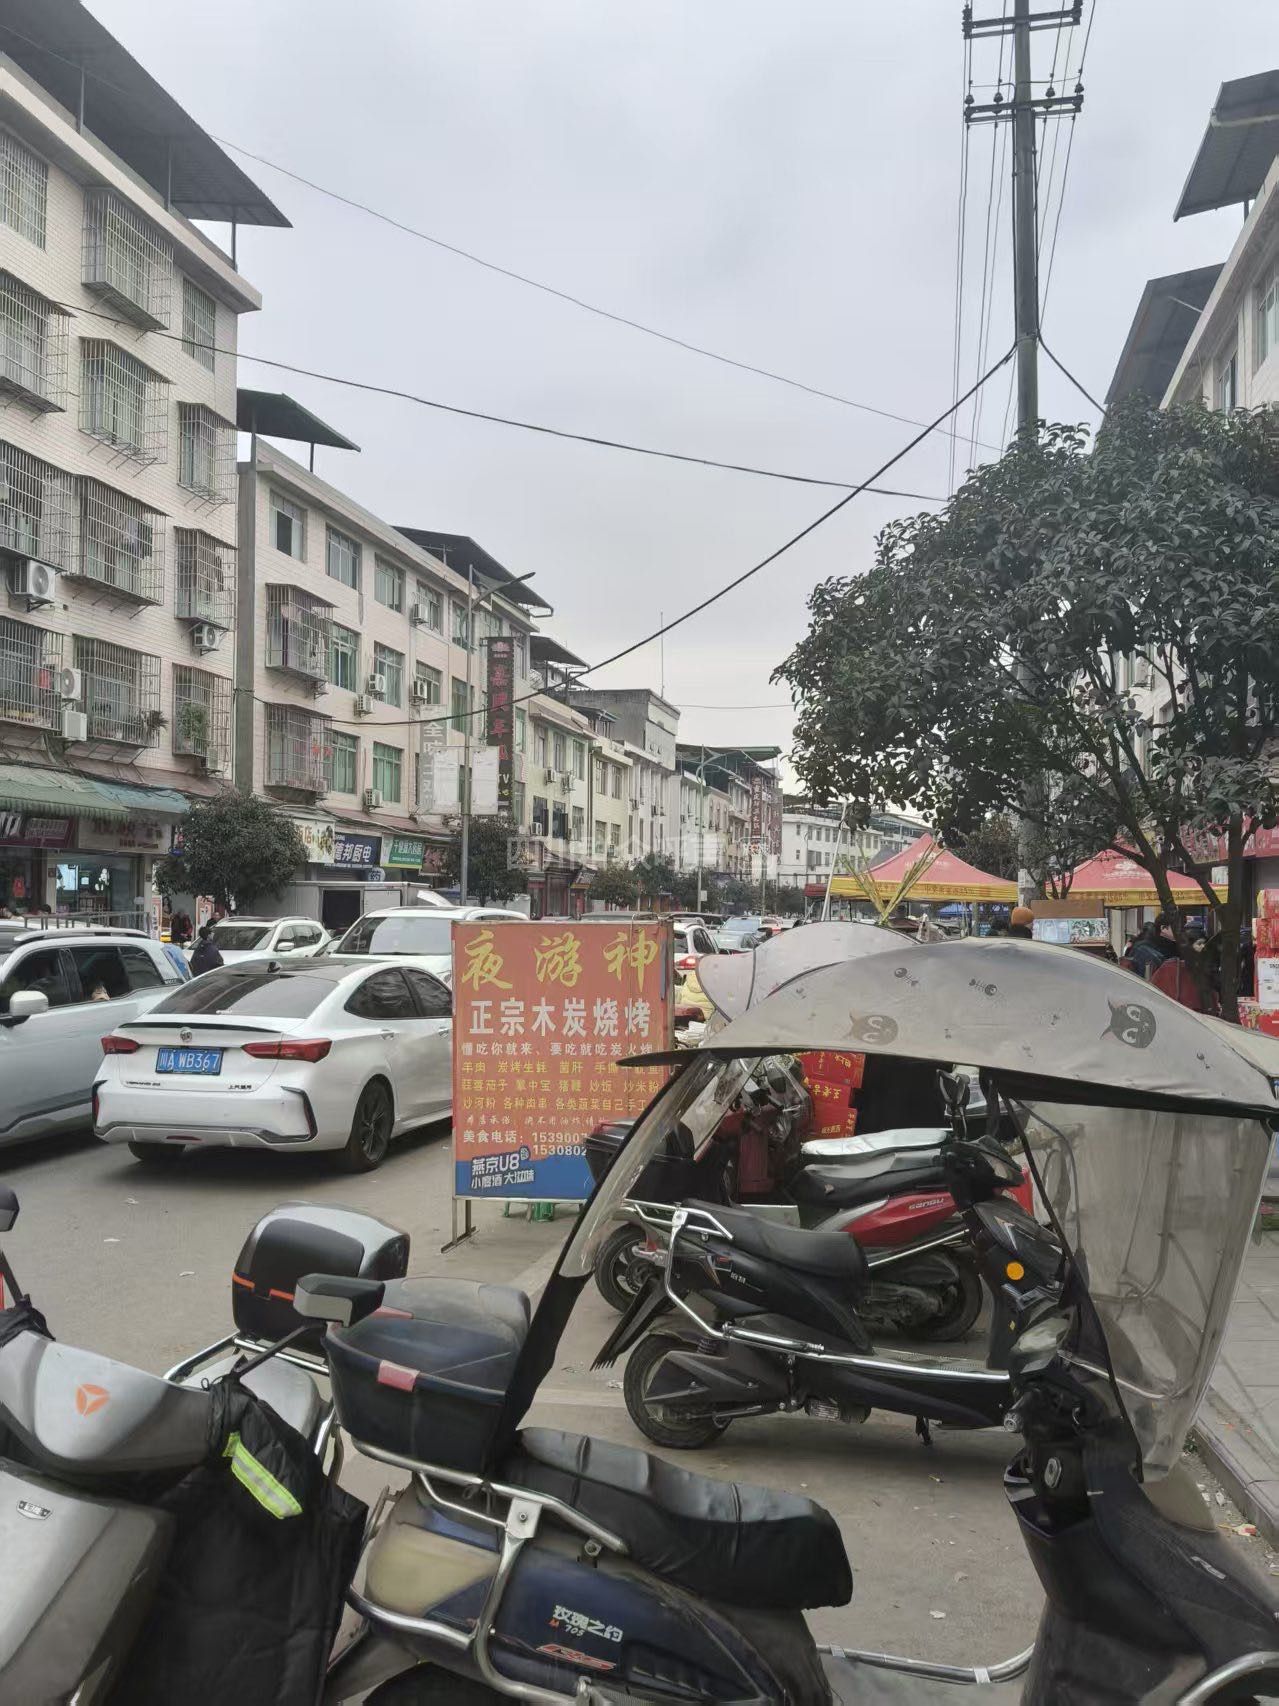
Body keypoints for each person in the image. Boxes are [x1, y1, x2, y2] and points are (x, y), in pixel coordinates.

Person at [1151, 926, 1219, 1015]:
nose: (1203, 947)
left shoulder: (1208, 971)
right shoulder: (1170, 968)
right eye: (1199, 944)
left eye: (1205, 944)